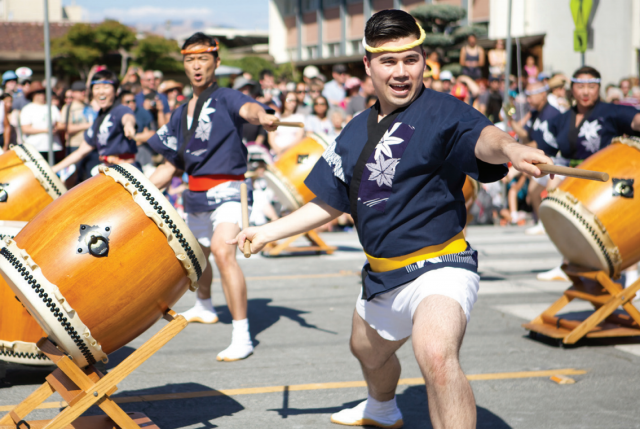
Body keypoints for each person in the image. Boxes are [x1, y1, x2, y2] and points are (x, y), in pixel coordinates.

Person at [229, 10, 551, 427]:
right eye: (389, 61)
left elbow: (484, 137)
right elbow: (330, 201)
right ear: (368, 65)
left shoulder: (444, 111)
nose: (401, 72)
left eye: (411, 60)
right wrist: (267, 231)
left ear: (423, 61)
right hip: (382, 274)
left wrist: (509, 148)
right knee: (366, 351)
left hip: (441, 267)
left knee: (436, 354)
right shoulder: (353, 130)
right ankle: (382, 408)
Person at [146, 32, 278, 362]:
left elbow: (249, 109)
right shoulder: (179, 113)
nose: (196, 66)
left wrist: (264, 115)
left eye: (203, 58)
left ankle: (242, 333)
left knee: (222, 251)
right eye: (190, 59)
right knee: (197, 256)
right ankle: (204, 306)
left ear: (216, 62)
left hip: (228, 190)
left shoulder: (228, 97)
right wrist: (138, 191)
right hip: (194, 193)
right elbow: (168, 167)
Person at [535, 66, 640, 281]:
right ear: (571, 89)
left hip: (604, 180)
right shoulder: (563, 118)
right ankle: (567, 262)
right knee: (559, 210)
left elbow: (635, 121)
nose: (585, 92)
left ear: (598, 88)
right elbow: (544, 146)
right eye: (580, 86)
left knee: (619, 225)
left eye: (591, 87)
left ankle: (630, 273)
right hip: (573, 180)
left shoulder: (611, 111)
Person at [52, 69, 138, 174]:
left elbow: (128, 117)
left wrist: (129, 126)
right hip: (108, 171)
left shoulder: (121, 109)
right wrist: (53, 169)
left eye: (106, 87)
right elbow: (81, 151)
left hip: (125, 173)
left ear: (116, 91)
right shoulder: (99, 119)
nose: (101, 91)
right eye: (97, 88)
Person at [506, 80, 562, 234]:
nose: (528, 99)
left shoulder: (552, 114)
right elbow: (525, 135)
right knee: (533, 191)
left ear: (543, 94)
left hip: (556, 161)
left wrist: (516, 154)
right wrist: (510, 120)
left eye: (531, 96)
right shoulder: (535, 113)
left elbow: (540, 145)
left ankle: (555, 226)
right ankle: (543, 224)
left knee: (551, 194)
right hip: (542, 159)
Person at [269, 91, 305, 156]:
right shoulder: (275, 117)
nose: (292, 103)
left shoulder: (300, 118)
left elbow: (299, 138)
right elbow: (271, 138)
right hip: (275, 153)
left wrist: (284, 150)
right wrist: (278, 151)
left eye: (295, 101)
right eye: (289, 100)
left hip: (292, 152)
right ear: (283, 100)